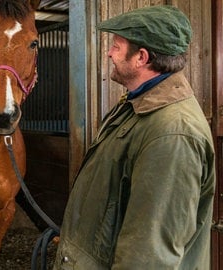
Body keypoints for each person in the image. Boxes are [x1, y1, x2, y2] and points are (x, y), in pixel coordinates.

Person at [53, 5, 215, 269]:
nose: (108, 53)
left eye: (116, 46)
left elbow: (149, 257)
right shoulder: (135, 106)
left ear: (141, 57)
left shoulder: (172, 134)